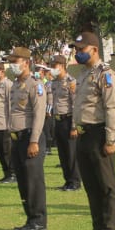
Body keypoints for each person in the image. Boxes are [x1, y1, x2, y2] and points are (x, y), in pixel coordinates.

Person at [70, 29, 115, 230]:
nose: (78, 53)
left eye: (82, 49)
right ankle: (97, 229)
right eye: (76, 49)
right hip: (84, 134)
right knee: (90, 185)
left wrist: (110, 139)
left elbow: (111, 108)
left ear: (94, 49)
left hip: (99, 133)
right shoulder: (83, 74)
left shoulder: (106, 74)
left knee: (106, 186)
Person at [5, 47, 49, 230]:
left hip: (30, 136)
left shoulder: (35, 85)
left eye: (15, 61)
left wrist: (34, 141)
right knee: (23, 181)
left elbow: (39, 115)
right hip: (17, 138)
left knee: (33, 181)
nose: (12, 65)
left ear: (26, 62)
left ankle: (38, 220)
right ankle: (30, 218)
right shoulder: (15, 84)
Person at [48, 55, 81, 191]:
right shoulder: (54, 82)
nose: (52, 69)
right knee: (62, 153)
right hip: (58, 121)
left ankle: (75, 182)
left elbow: (75, 105)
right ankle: (67, 180)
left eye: (54, 66)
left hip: (68, 120)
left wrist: (74, 126)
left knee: (71, 153)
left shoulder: (71, 82)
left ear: (62, 66)